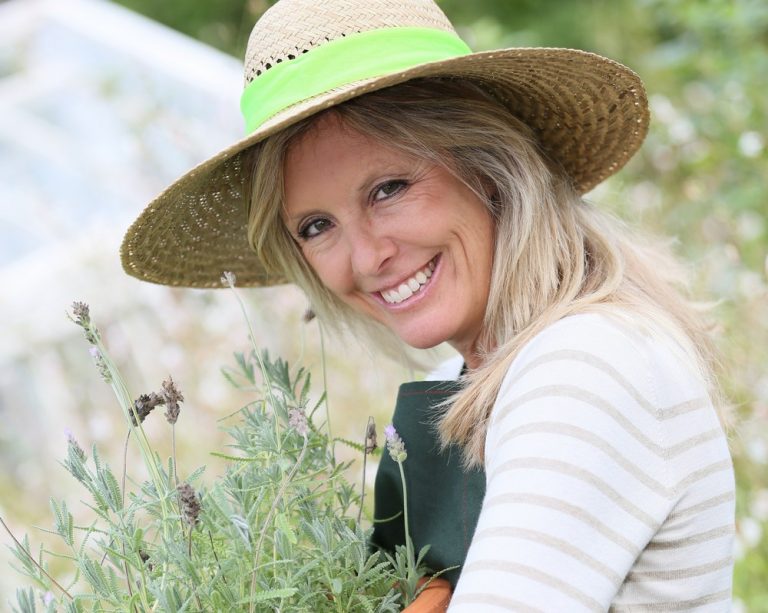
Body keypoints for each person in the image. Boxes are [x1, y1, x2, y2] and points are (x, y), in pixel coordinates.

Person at [121, 0, 735, 609]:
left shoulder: (585, 366)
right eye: (316, 226)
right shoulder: (471, 380)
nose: (366, 258)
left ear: (489, 166)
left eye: (388, 189)